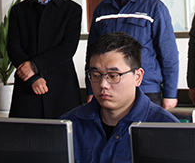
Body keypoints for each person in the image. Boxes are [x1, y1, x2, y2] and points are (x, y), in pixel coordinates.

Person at [61, 32, 178, 163]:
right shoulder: (68, 126)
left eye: (113, 76)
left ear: (138, 77)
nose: (103, 84)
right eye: (96, 75)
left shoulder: (168, 130)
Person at [87, 0, 179, 110]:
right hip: (108, 88)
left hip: (145, 89)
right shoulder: (101, 10)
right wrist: (90, 89)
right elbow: (91, 53)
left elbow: (168, 54)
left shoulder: (154, 7)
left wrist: (170, 94)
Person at [7, 0, 82, 118]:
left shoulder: (72, 9)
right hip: (27, 84)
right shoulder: (19, 10)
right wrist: (32, 77)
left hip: (61, 84)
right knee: (25, 131)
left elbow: (68, 47)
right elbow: (13, 47)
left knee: (63, 130)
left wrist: (35, 65)